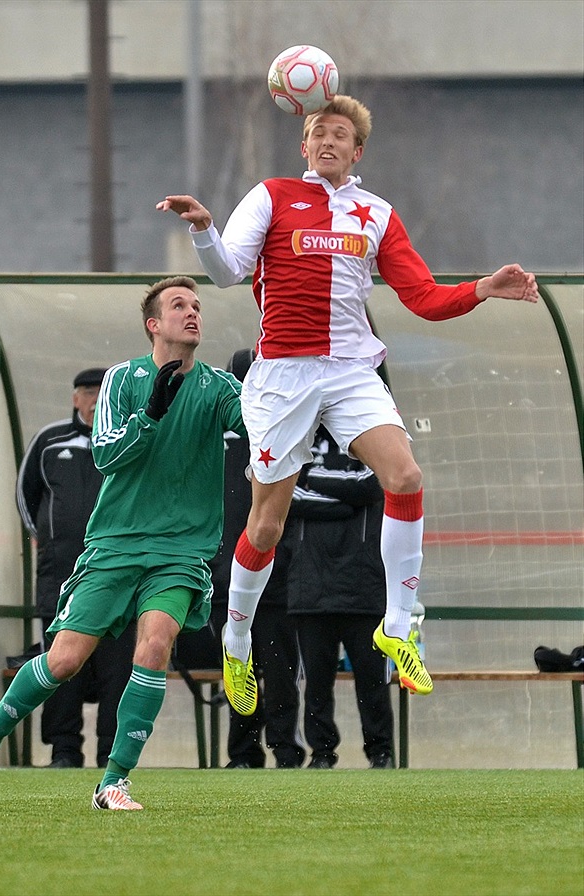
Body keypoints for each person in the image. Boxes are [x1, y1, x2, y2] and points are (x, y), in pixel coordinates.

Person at [157, 93, 539, 714]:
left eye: (339, 134)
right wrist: (204, 228)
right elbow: (227, 273)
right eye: (317, 133)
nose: (327, 141)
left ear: (357, 151)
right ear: (303, 146)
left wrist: (483, 290)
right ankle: (235, 637)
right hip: (283, 375)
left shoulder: (376, 213)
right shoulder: (273, 195)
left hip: (352, 370)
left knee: (406, 475)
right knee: (267, 524)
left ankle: (397, 620)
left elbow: (423, 298)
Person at [0, 275, 247, 810]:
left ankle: (113, 782)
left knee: (154, 646)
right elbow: (106, 455)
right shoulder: (122, 381)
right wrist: (151, 413)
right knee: (64, 660)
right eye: (179, 305)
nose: (193, 312)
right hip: (116, 545)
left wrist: (271, 384)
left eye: (197, 305)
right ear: (154, 324)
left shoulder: (219, 387)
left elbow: (263, 430)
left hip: (180, 552)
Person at [174, 348, 304, 769]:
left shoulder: (283, 430)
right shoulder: (211, 433)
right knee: (240, 664)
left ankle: (283, 750)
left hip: (274, 574)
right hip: (225, 575)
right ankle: (247, 752)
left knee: (277, 670)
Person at [16, 367, 135, 769]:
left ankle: (111, 754)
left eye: (103, 392)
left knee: (117, 669)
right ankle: (64, 750)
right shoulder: (50, 441)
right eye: (88, 392)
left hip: (118, 574)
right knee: (61, 664)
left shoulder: (127, 439)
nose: (96, 399)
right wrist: (43, 537)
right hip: (60, 575)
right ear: (75, 399)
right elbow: (25, 493)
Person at [287, 427, 394, 770]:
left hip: (363, 586)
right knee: (317, 683)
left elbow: (370, 485)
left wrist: (311, 478)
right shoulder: (298, 443)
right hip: (310, 587)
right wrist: (344, 504)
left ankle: (380, 753)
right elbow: (291, 496)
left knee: (372, 680)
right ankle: (321, 753)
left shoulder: (368, 441)